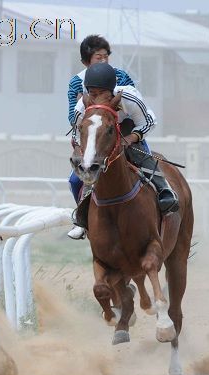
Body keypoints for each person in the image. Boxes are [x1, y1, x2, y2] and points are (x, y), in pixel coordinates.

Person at [69, 63, 179, 239]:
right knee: (75, 180)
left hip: (129, 129)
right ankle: (82, 219)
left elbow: (149, 121)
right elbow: (77, 132)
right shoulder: (82, 106)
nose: (96, 99)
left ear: (111, 91)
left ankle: (165, 191)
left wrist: (129, 139)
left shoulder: (128, 97)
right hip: (99, 137)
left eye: (101, 94)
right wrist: (79, 149)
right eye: (92, 94)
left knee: (139, 155)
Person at [67, 35, 135, 239]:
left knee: (150, 163)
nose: (104, 61)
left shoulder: (121, 76)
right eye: (98, 57)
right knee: (75, 180)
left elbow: (135, 104)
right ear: (86, 61)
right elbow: (73, 115)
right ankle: (82, 219)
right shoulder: (76, 82)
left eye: (106, 56)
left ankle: (167, 199)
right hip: (94, 136)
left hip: (124, 132)